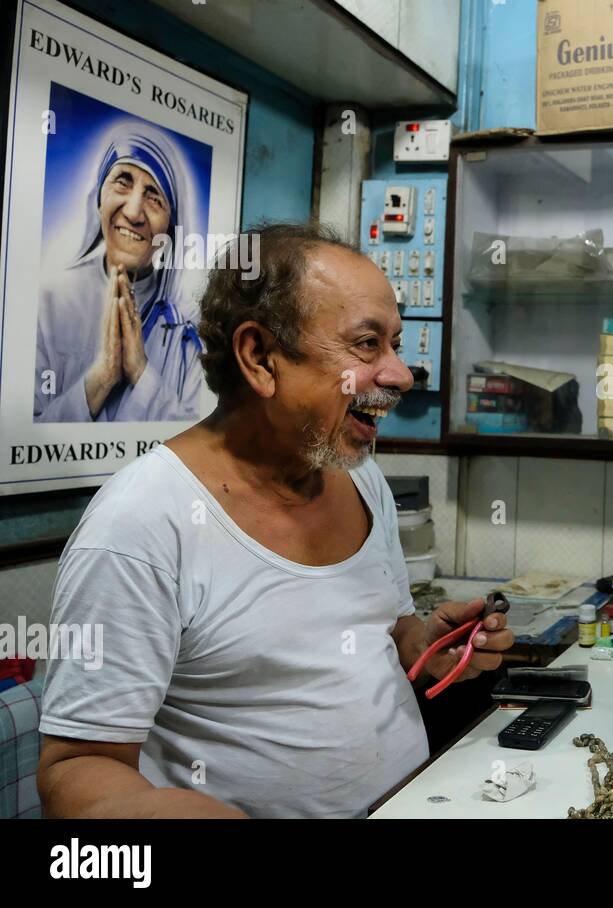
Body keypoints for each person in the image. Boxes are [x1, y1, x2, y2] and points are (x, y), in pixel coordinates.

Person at [37, 223, 514, 817]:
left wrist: (424, 644)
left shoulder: (359, 476)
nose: (399, 375)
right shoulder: (140, 525)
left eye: (394, 344)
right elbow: (77, 768)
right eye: (367, 344)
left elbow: (383, 633)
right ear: (260, 357)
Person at [34, 122, 203, 422]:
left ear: (171, 228)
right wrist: (101, 378)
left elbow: (197, 441)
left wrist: (141, 372)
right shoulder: (48, 301)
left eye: (154, 197)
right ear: (99, 198)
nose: (134, 212)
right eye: (122, 182)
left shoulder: (187, 329)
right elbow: (20, 441)